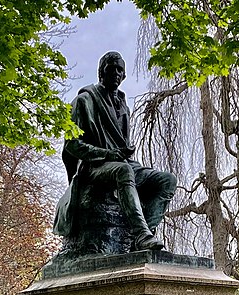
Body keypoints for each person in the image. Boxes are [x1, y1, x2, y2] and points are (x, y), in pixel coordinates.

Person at [53, 51, 177, 252]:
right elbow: (72, 146)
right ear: (101, 72)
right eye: (112, 68)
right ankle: (141, 234)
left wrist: (124, 151)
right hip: (94, 167)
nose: (117, 73)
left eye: (121, 70)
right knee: (123, 171)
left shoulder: (122, 105)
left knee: (167, 180)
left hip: (123, 163)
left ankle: (144, 236)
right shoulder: (84, 101)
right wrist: (108, 154)